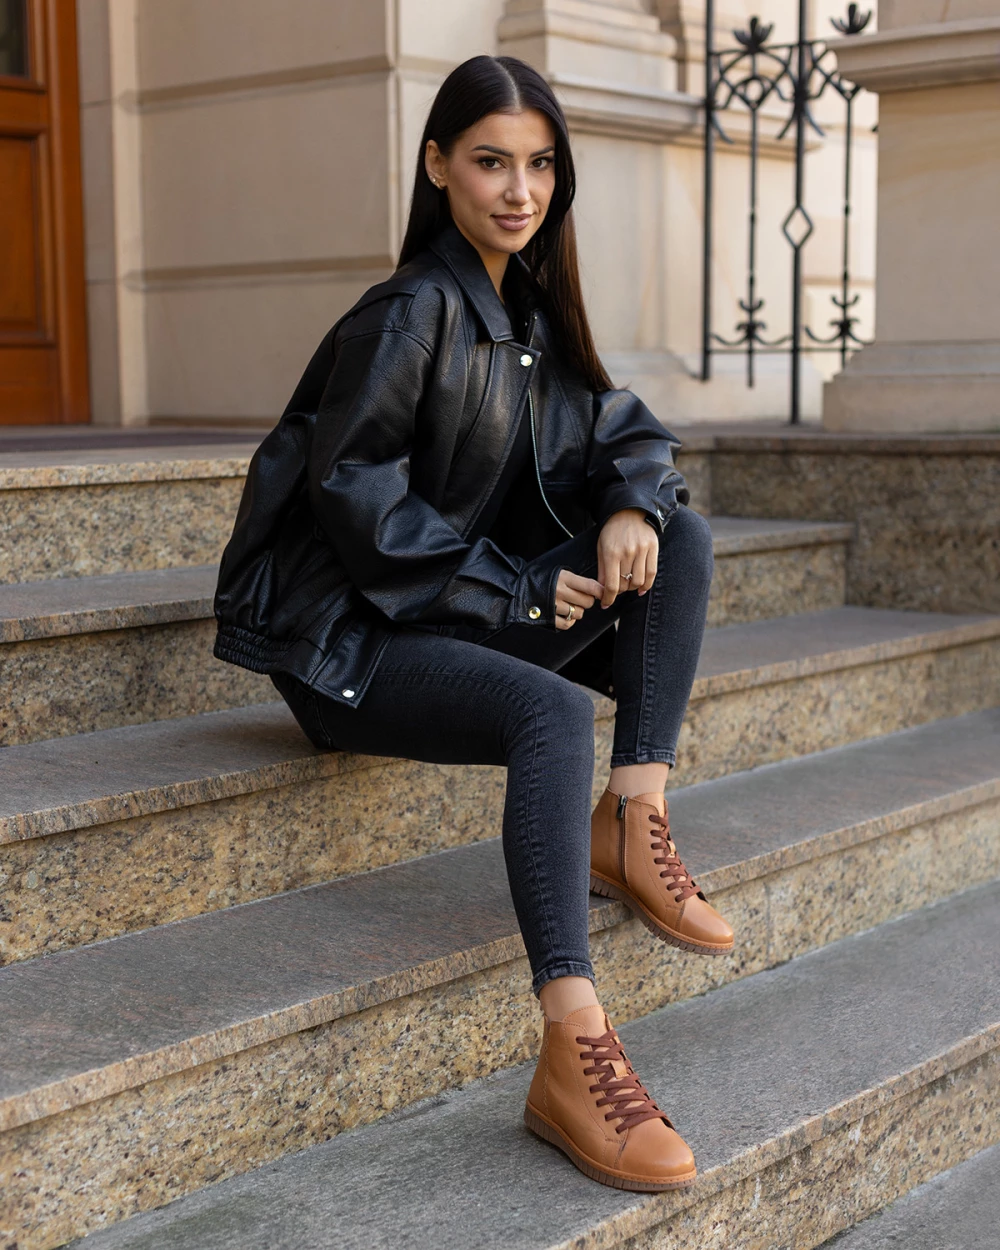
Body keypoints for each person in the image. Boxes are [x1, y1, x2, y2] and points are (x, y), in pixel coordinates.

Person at [213, 53, 734, 1193]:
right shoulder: (410, 314)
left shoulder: (527, 313)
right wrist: (513, 593)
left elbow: (628, 433)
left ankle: (631, 812)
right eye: (492, 162)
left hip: (448, 611)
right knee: (548, 711)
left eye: (540, 165)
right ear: (438, 164)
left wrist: (628, 505)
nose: (519, 190)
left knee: (679, 538)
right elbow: (356, 498)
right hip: (349, 649)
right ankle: (572, 1042)